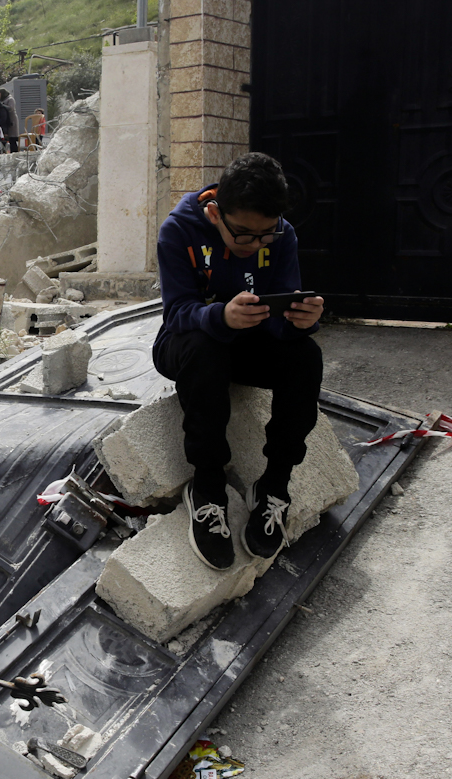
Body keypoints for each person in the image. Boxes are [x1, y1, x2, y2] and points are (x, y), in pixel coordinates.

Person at [153, 152, 325, 571]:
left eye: (266, 235)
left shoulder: (282, 235)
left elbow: (280, 321)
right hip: (186, 344)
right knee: (206, 349)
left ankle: (273, 487)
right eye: (244, 234)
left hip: (250, 343)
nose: (255, 244)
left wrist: (300, 322)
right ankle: (208, 487)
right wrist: (220, 315)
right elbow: (177, 314)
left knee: (306, 356)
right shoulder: (178, 231)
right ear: (215, 213)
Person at [0, 88, 20, 153]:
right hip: (6, 120)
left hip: (12, 120)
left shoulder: (10, 99)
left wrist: (2, 105)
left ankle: (15, 152)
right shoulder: (3, 99)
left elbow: (11, 108)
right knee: (8, 138)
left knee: (12, 138)